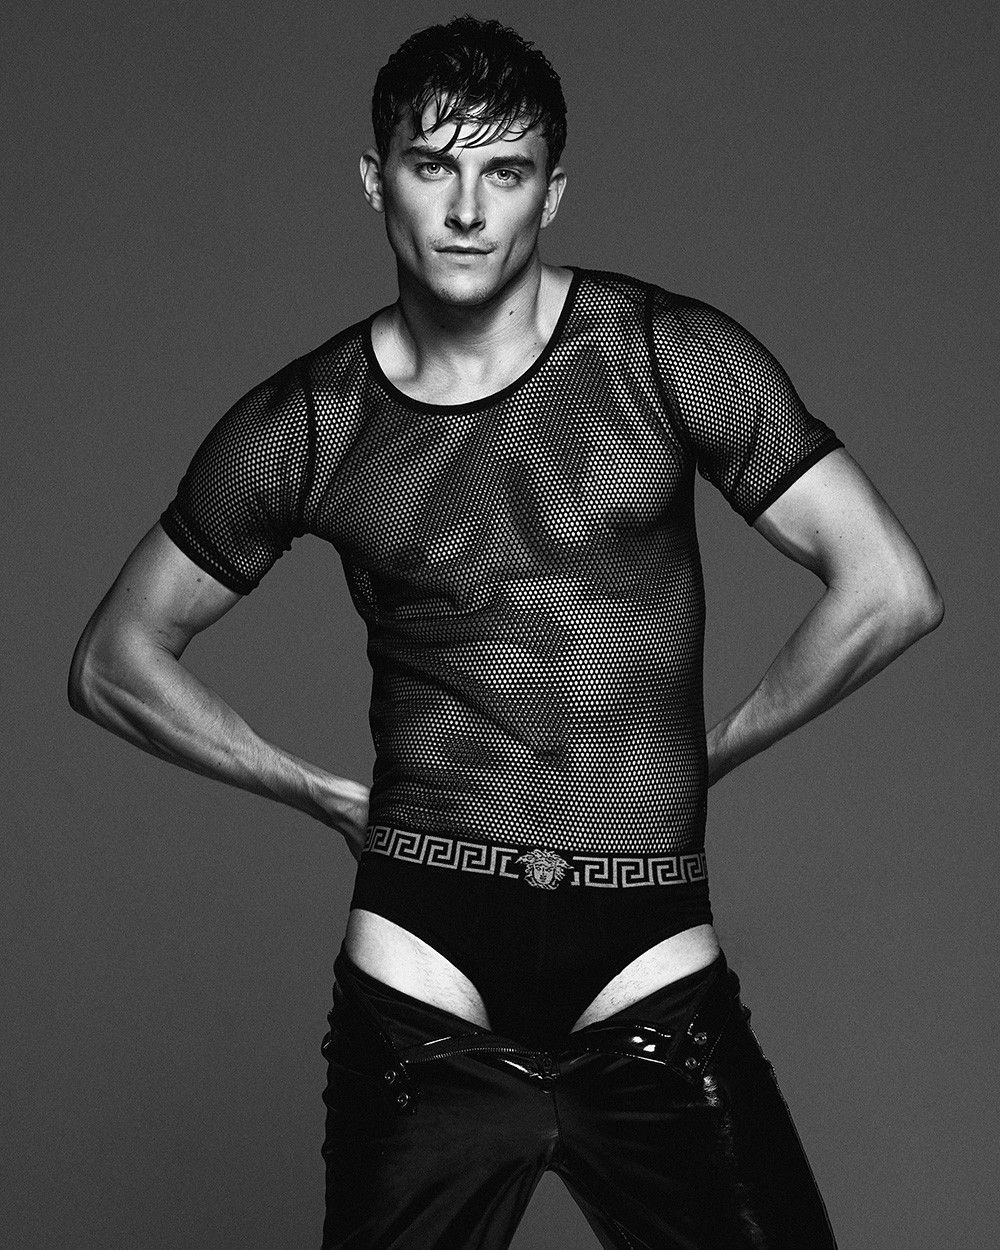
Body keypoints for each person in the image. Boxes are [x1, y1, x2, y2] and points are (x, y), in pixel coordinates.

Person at [68, 13, 944, 1248]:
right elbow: (113, 660)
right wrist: (312, 787)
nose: (469, 209)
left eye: (506, 171)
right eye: (434, 167)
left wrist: (708, 752)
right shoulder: (309, 422)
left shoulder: (662, 355)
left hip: (648, 967)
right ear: (377, 180)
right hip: (423, 972)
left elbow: (888, 586)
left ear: (552, 192)